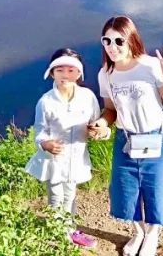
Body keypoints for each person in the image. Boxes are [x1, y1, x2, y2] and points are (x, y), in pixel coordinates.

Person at [88, 16, 163, 256]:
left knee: (156, 191)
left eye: (119, 40)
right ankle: (138, 232)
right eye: (106, 40)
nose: (112, 46)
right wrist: (101, 122)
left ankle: (152, 234)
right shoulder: (105, 74)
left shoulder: (150, 66)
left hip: (155, 138)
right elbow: (110, 110)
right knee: (126, 192)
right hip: (126, 141)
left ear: (131, 40)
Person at [25, 48, 107, 249]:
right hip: (54, 161)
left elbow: (97, 123)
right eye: (60, 70)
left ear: (79, 74)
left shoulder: (88, 97)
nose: (65, 75)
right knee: (55, 196)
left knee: (70, 194)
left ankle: (69, 230)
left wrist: (97, 131)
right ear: (51, 73)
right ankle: (57, 234)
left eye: (71, 71)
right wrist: (45, 144)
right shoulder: (46, 102)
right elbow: (40, 131)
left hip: (76, 158)